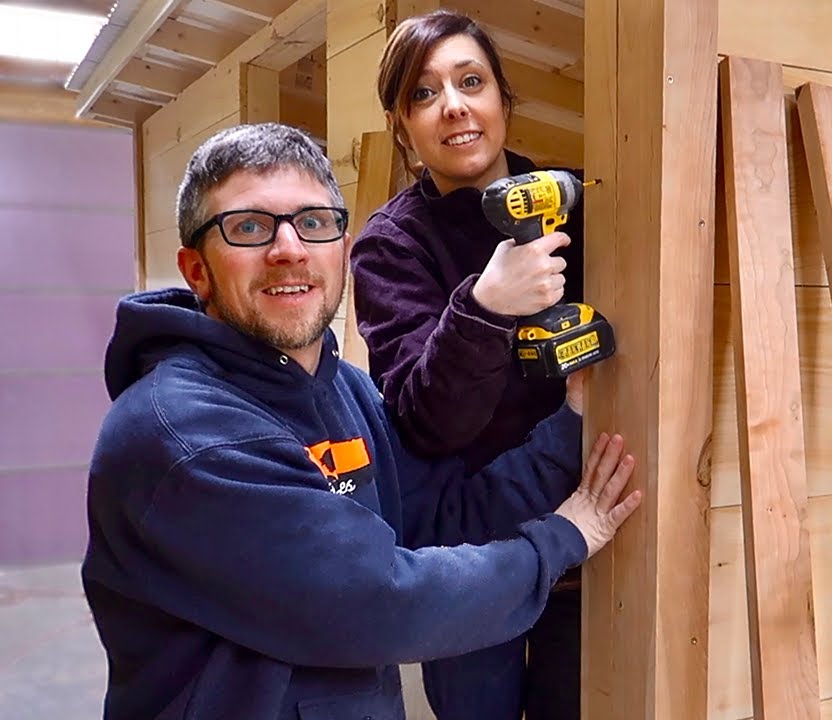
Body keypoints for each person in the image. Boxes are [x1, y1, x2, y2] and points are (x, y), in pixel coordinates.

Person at [79, 122, 641, 720]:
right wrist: (562, 539)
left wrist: (570, 421)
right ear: (196, 271)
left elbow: (438, 518)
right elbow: (378, 602)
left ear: (341, 249)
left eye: (315, 223)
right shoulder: (184, 436)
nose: (289, 249)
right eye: (248, 227)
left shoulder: (343, 390)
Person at [349, 10, 586, 720]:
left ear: (502, 100)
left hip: (587, 530)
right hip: (468, 553)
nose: (452, 105)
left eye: (470, 81)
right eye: (424, 94)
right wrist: (485, 307)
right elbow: (427, 423)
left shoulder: (578, 200)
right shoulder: (390, 247)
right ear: (403, 126)